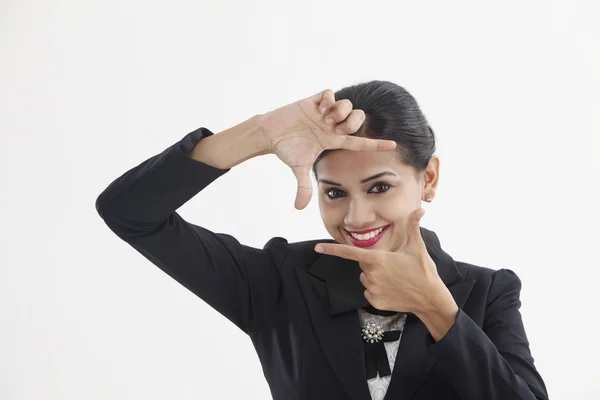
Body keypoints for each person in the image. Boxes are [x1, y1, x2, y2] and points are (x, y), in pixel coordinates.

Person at [95, 81, 549, 400]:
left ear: (427, 178)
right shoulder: (276, 280)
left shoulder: (488, 294)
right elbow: (130, 212)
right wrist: (258, 135)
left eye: (379, 187)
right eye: (335, 193)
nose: (356, 217)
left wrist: (437, 311)